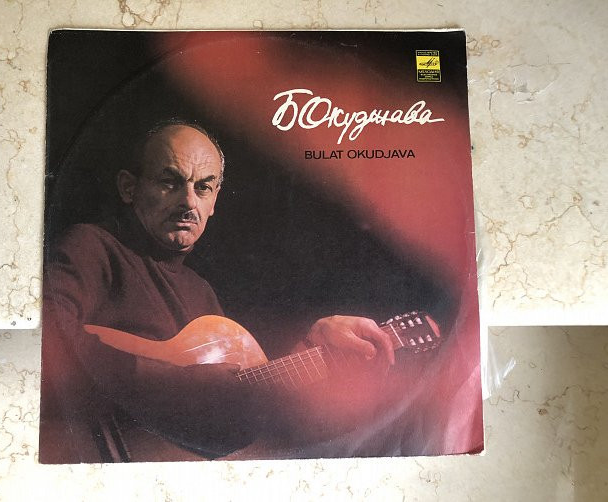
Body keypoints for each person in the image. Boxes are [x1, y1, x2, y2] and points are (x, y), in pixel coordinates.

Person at [40, 122, 397, 463]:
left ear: (214, 203)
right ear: (128, 188)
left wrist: (313, 347)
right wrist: (184, 386)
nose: (188, 202)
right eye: (170, 182)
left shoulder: (201, 293)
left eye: (203, 188)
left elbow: (235, 409)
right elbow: (47, 341)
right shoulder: (92, 246)